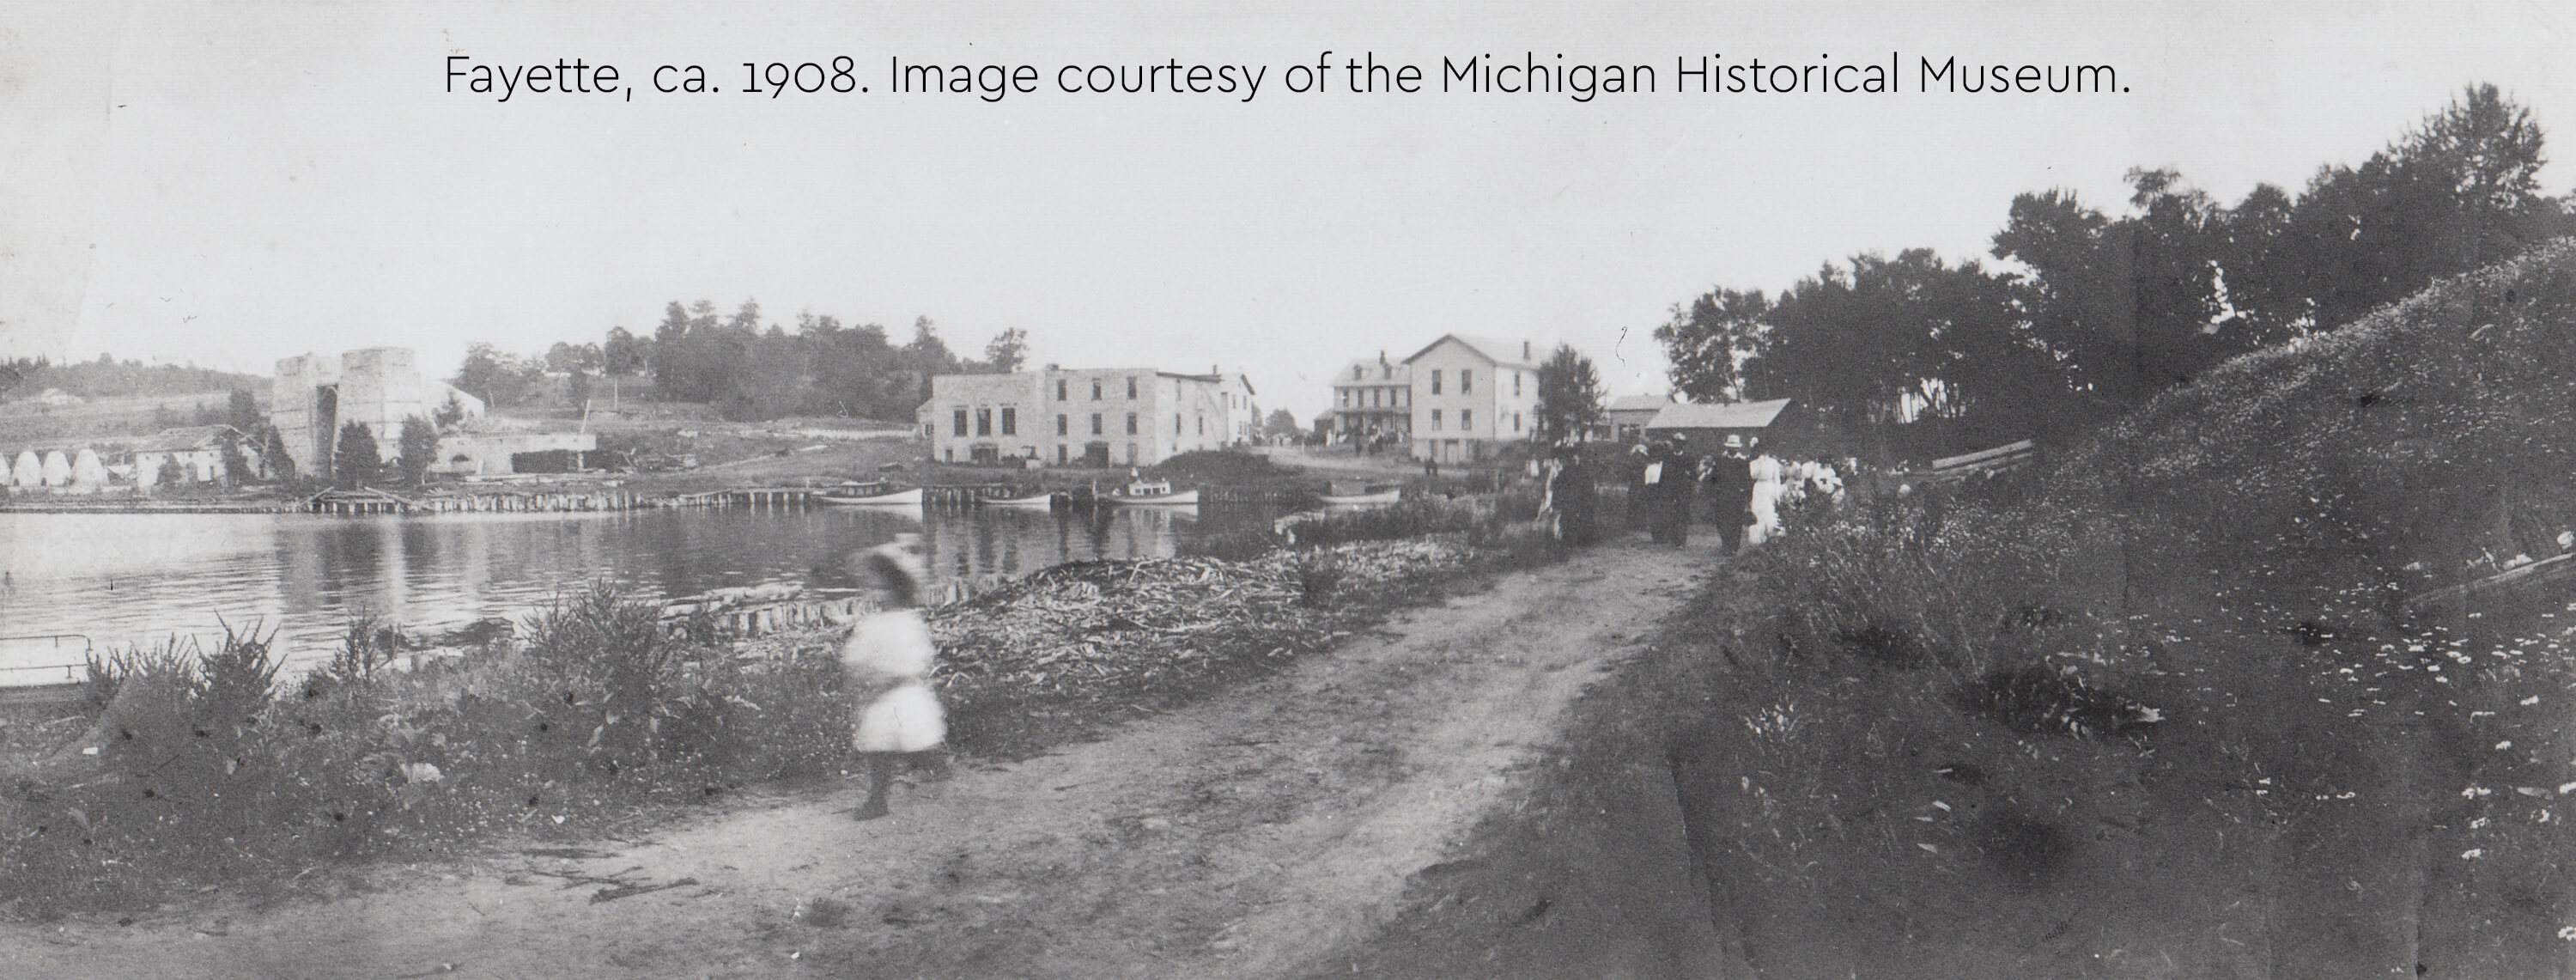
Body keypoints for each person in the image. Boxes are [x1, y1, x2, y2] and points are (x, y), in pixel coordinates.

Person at [840, 535, 945, 820]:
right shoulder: (872, 624)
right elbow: (857, 659)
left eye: (882, 588)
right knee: (879, 751)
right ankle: (878, 800)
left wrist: (891, 678)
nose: (874, 594)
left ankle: (933, 764)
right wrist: (862, 679)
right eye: (871, 588)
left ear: (898, 590)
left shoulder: (907, 622)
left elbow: (918, 658)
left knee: (909, 739)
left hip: (901, 693)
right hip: (880, 695)